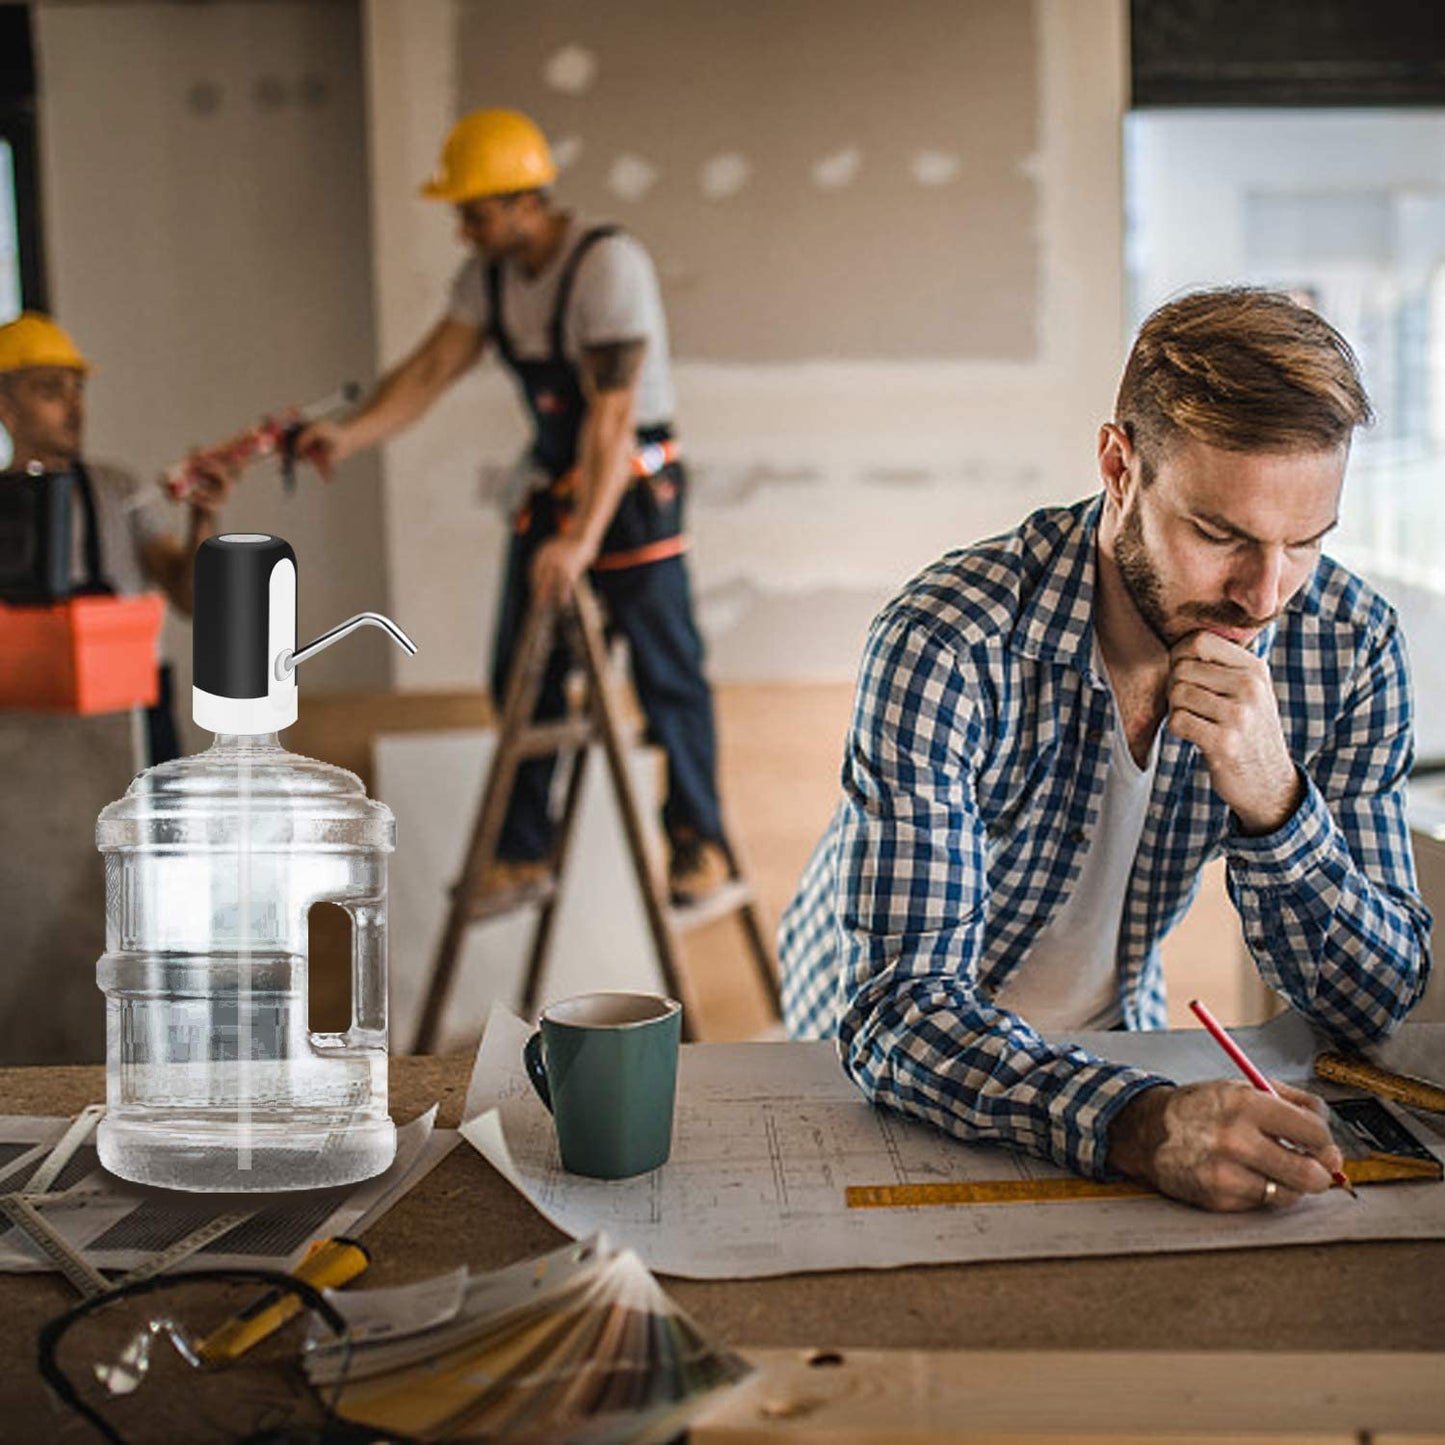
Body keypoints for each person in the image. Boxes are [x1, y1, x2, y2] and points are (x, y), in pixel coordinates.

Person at [779, 287, 1431, 1214]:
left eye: (1305, 543)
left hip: (1105, 1038)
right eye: (1218, 535)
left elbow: (1375, 1004)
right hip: (869, 1041)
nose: (1261, 595)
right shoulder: (949, 639)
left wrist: (1275, 801)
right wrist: (1143, 1122)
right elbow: (899, 1014)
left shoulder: (1349, 643)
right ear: (1117, 466)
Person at [299, 108, 728, 902]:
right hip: (557, 481)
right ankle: (523, 850)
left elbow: (609, 420)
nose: (464, 227)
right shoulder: (488, 279)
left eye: (476, 210)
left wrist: (579, 539)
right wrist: (346, 437)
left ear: (526, 200)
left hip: (633, 484)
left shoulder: (606, 266)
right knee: (521, 673)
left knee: (668, 673)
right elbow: (427, 372)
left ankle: (697, 840)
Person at [0, 311, 233, 761]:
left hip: (133, 710)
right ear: (6, 408)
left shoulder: (118, 490)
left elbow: (191, 599)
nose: (74, 409)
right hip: (29, 718)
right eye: (51, 391)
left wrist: (203, 518)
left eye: (78, 389)